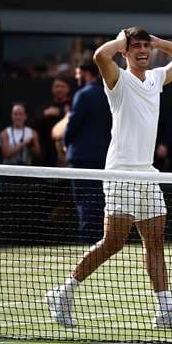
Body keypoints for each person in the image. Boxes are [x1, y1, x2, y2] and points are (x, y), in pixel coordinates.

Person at [45, 27, 172, 329]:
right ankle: (63, 293)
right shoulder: (117, 79)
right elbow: (99, 55)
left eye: (146, 46)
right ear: (125, 52)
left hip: (147, 173)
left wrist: (156, 42)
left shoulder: (156, 78)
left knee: (155, 243)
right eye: (136, 47)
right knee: (113, 242)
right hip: (120, 172)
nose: (143, 51)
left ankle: (166, 310)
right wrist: (122, 40)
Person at [63, 59, 112, 243]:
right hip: (102, 157)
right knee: (98, 200)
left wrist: (66, 142)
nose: (76, 77)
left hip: (82, 158)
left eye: (77, 73)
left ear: (85, 73)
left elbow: (73, 124)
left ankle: (86, 240)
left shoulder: (82, 95)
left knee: (84, 201)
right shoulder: (105, 95)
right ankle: (99, 240)